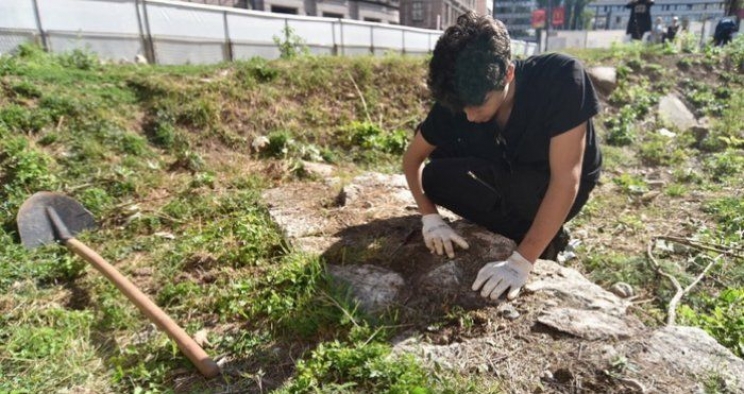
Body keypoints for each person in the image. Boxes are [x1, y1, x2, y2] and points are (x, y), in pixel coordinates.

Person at [402, 12, 602, 301]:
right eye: (462, 108)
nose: (469, 116)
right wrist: (430, 217)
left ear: (508, 73)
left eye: (478, 105)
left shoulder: (560, 78)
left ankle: (546, 239)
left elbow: (566, 178)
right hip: (508, 164)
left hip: (555, 178)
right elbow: (412, 160)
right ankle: (530, 228)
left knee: (532, 203)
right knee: (435, 176)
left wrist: (522, 260)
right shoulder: (459, 98)